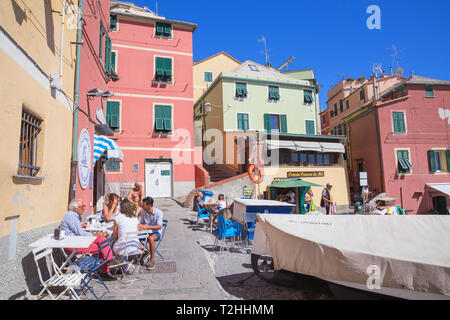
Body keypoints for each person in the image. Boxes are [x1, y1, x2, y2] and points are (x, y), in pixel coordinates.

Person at [60, 199, 125, 280]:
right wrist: (94, 235)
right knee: (101, 245)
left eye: (84, 206)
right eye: (82, 206)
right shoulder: (71, 215)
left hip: (76, 242)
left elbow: (75, 230)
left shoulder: (74, 215)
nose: (84, 208)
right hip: (73, 245)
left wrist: (82, 226)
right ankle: (107, 265)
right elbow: (79, 233)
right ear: (75, 208)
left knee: (101, 241)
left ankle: (107, 265)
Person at [138, 196, 163, 270]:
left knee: (151, 238)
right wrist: (140, 226)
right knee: (133, 236)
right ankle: (144, 252)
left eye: (143, 205)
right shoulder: (143, 212)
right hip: (146, 232)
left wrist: (147, 227)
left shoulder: (158, 212)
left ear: (149, 206)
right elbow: (141, 223)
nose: (142, 206)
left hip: (156, 233)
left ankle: (152, 260)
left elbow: (159, 227)